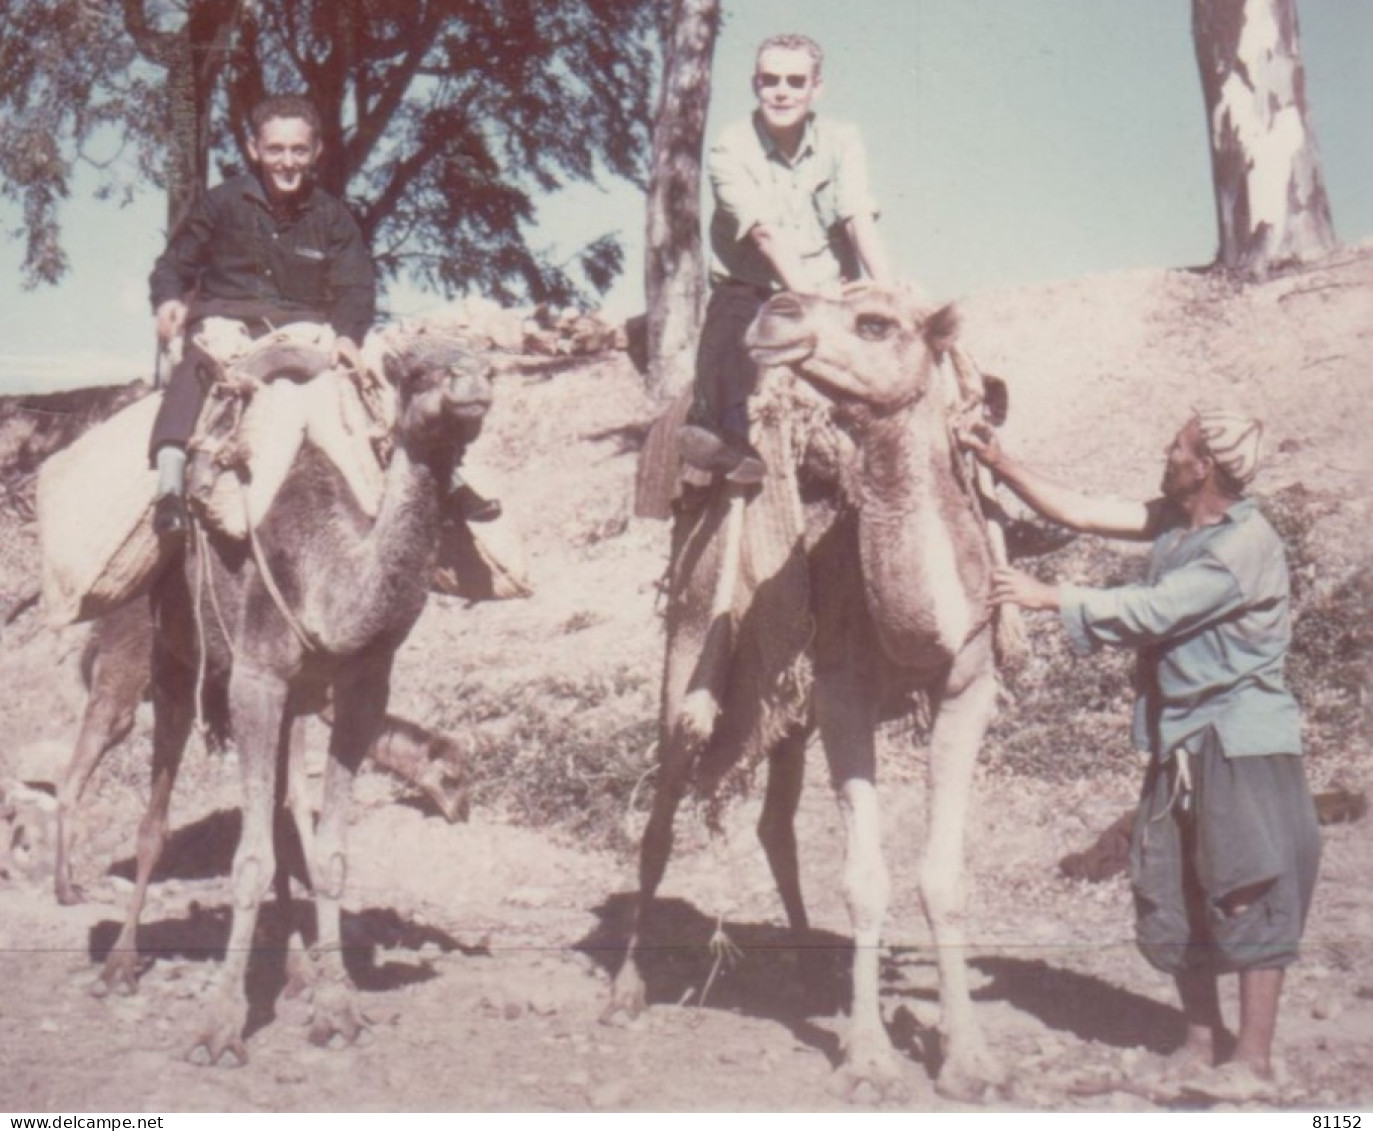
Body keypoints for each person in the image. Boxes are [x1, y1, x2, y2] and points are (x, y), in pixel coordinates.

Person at [960, 409, 1321, 1103]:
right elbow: (1089, 511)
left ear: (1204, 465)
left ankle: (1256, 1060)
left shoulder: (1244, 543)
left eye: (1177, 445)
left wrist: (1050, 597)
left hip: (1237, 736)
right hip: (1178, 732)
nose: (1166, 450)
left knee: (1247, 887)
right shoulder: (1176, 523)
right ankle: (1199, 1040)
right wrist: (1002, 463)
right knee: (1174, 882)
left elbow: (1158, 608)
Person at [147, 94, 377, 536]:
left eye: (298, 150)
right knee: (195, 369)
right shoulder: (220, 204)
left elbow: (356, 285)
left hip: (303, 334)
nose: (287, 162)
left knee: (367, 387)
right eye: (275, 150)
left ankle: (425, 488)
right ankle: (171, 487)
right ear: (254, 149)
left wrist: (348, 336)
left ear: (315, 152)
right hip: (224, 328)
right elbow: (174, 265)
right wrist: (169, 299)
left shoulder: (333, 217)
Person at [682, 33, 893, 483]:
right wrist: (812, 302)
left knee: (911, 358)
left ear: (816, 88)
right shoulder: (730, 147)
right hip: (755, 287)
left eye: (795, 81)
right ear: (754, 84)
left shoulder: (842, 140)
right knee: (726, 347)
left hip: (833, 285)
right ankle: (727, 445)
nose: (781, 91)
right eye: (770, 80)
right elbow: (764, 233)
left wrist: (887, 289)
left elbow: (857, 215)